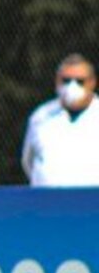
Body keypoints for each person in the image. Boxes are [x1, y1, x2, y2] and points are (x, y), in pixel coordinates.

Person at [21, 53, 99, 187]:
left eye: (80, 81)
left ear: (92, 83)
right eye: (66, 81)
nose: (72, 86)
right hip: (48, 202)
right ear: (57, 81)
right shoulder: (41, 117)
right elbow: (28, 161)